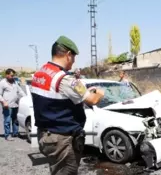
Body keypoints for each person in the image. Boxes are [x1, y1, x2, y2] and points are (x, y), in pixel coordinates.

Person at [31, 35, 105, 175]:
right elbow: (93, 100)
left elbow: (56, 96)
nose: (74, 62)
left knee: (57, 170)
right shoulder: (64, 79)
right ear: (68, 54)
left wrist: (84, 91)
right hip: (62, 139)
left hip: (46, 135)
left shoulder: (39, 73)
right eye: (74, 57)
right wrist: (100, 92)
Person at [0, 68, 26, 141]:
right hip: (7, 105)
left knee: (15, 120)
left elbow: (20, 91)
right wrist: (3, 102)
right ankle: (7, 135)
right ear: (7, 75)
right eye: (11, 75)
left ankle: (15, 133)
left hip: (15, 105)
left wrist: (26, 97)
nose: (13, 77)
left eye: (13, 75)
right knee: (7, 120)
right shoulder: (2, 83)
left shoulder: (14, 82)